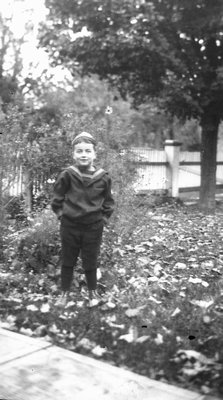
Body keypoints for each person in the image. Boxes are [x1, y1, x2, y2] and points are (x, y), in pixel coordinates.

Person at [51, 132, 114, 307]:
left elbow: (108, 202)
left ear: (94, 154)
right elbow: (57, 198)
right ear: (73, 154)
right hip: (70, 226)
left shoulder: (103, 177)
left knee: (91, 260)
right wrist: (62, 215)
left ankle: (92, 293)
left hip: (93, 227)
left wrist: (103, 219)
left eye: (88, 151)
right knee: (68, 259)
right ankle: (64, 293)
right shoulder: (67, 175)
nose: (84, 155)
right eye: (79, 151)